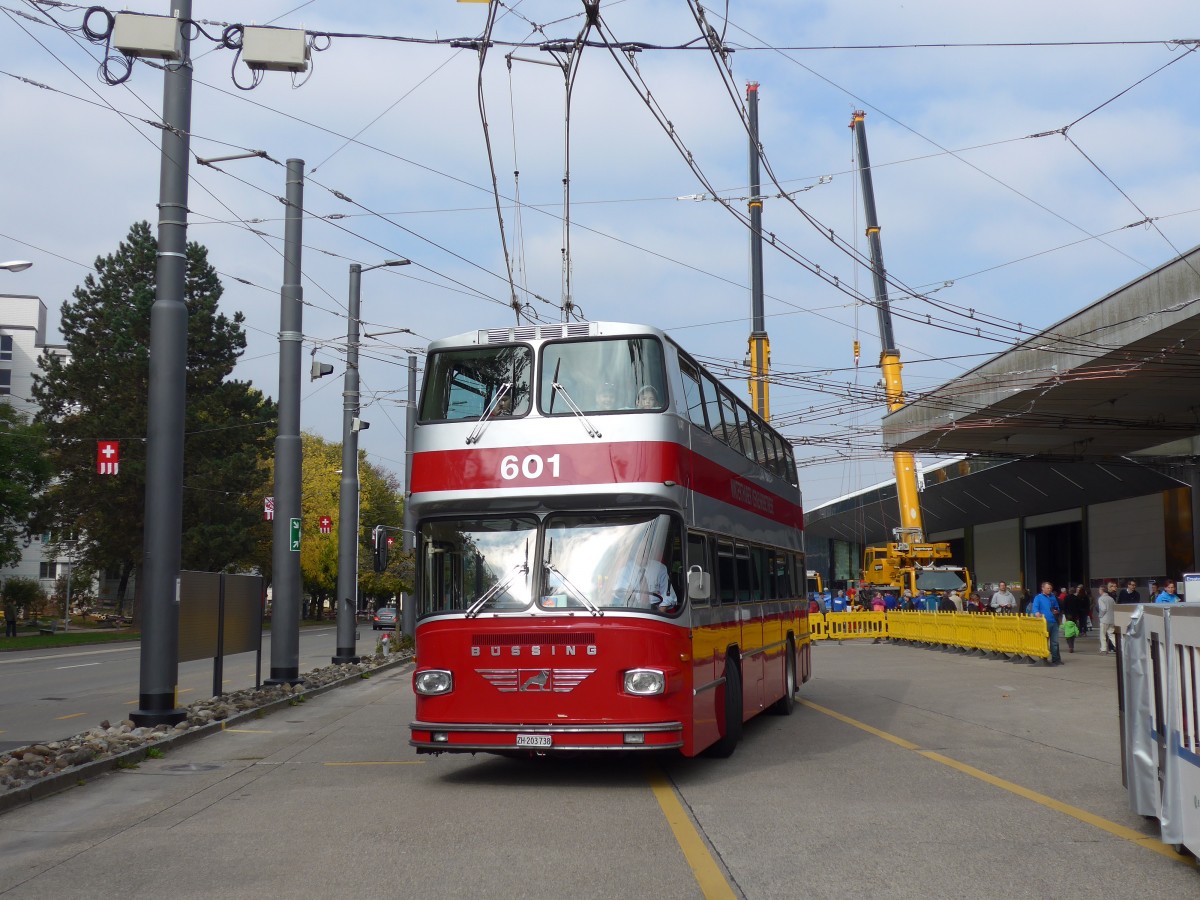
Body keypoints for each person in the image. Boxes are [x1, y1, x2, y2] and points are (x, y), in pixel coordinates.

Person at [611, 552, 677, 611]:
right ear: (635, 552)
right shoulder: (624, 570)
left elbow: (668, 596)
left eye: (647, 549)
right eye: (641, 550)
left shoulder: (660, 568)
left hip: (656, 610)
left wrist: (659, 615)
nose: (644, 553)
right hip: (631, 609)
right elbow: (618, 593)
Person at [1028, 581, 1062, 666]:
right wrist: (1036, 613)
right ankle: (1043, 658)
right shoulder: (1038, 598)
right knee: (1044, 641)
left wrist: (1056, 610)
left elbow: (1057, 607)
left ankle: (1056, 659)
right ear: (1043, 588)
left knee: (1055, 642)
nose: (1049, 589)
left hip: (1053, 621)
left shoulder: (1053, 597)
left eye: (1050, 588)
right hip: (1044, 622)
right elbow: (1035, 608)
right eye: (1048, 588)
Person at [1097, 581, 1117, 654]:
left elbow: (1103, 608)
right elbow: (1115, 607)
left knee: (1102, 635)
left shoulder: (1101, 599)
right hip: (1111, 619)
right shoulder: (1111, 598)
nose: (1099, 591)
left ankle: (1103, 649)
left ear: (1102, 590)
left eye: (1099, 590)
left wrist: (1100, 616)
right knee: (1111, 634)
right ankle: (1118, 646)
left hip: (1104, 619)